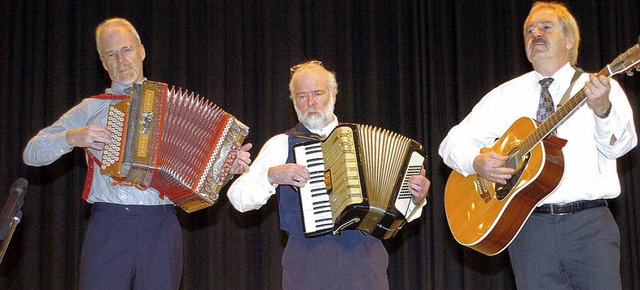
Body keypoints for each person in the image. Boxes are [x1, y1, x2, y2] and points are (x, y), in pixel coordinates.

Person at [22, 17, 252, 289]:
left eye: (126, 50)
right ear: (103, 62)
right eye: (111, 54)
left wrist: (226, 171)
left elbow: (200, 186)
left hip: (162, 224)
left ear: (141, 51)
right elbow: (31, 153)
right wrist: (72, 137)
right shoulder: (91, 108)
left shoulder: (170, 103)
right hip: (110, 223)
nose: (120, 60)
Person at [438, 2, 637, 289]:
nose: (536, 34)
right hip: (529, 230)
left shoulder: (601, 87)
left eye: (546, 27)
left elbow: (621, 147)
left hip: (589, 228)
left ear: (569, 40)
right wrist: (477, 162)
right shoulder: (506, 94)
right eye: (529, 30)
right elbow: (451, 143)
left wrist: (603, 109)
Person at [227, 60, 431, 289]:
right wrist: (270, 176)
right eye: (302, 97)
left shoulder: (364, 142)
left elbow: (398, 213)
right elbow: (238, 199)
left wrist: (416, 198)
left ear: (333, 94)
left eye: (318, 93)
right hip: (308, 266)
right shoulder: (281, 145)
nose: (311, 103)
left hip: (365, 261)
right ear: (294, 103)